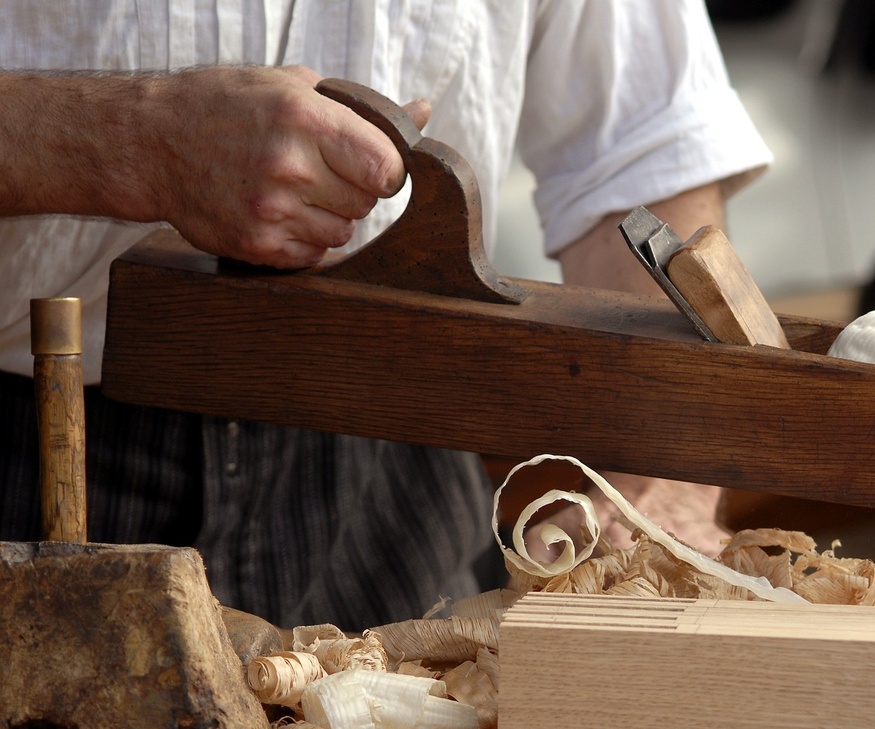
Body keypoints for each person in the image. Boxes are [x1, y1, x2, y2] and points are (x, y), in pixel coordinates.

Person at [0, 2, 772, 629]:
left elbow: (639, 156)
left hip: (396, 463)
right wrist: (131, 139)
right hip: (43, 444)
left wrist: (655, 467)